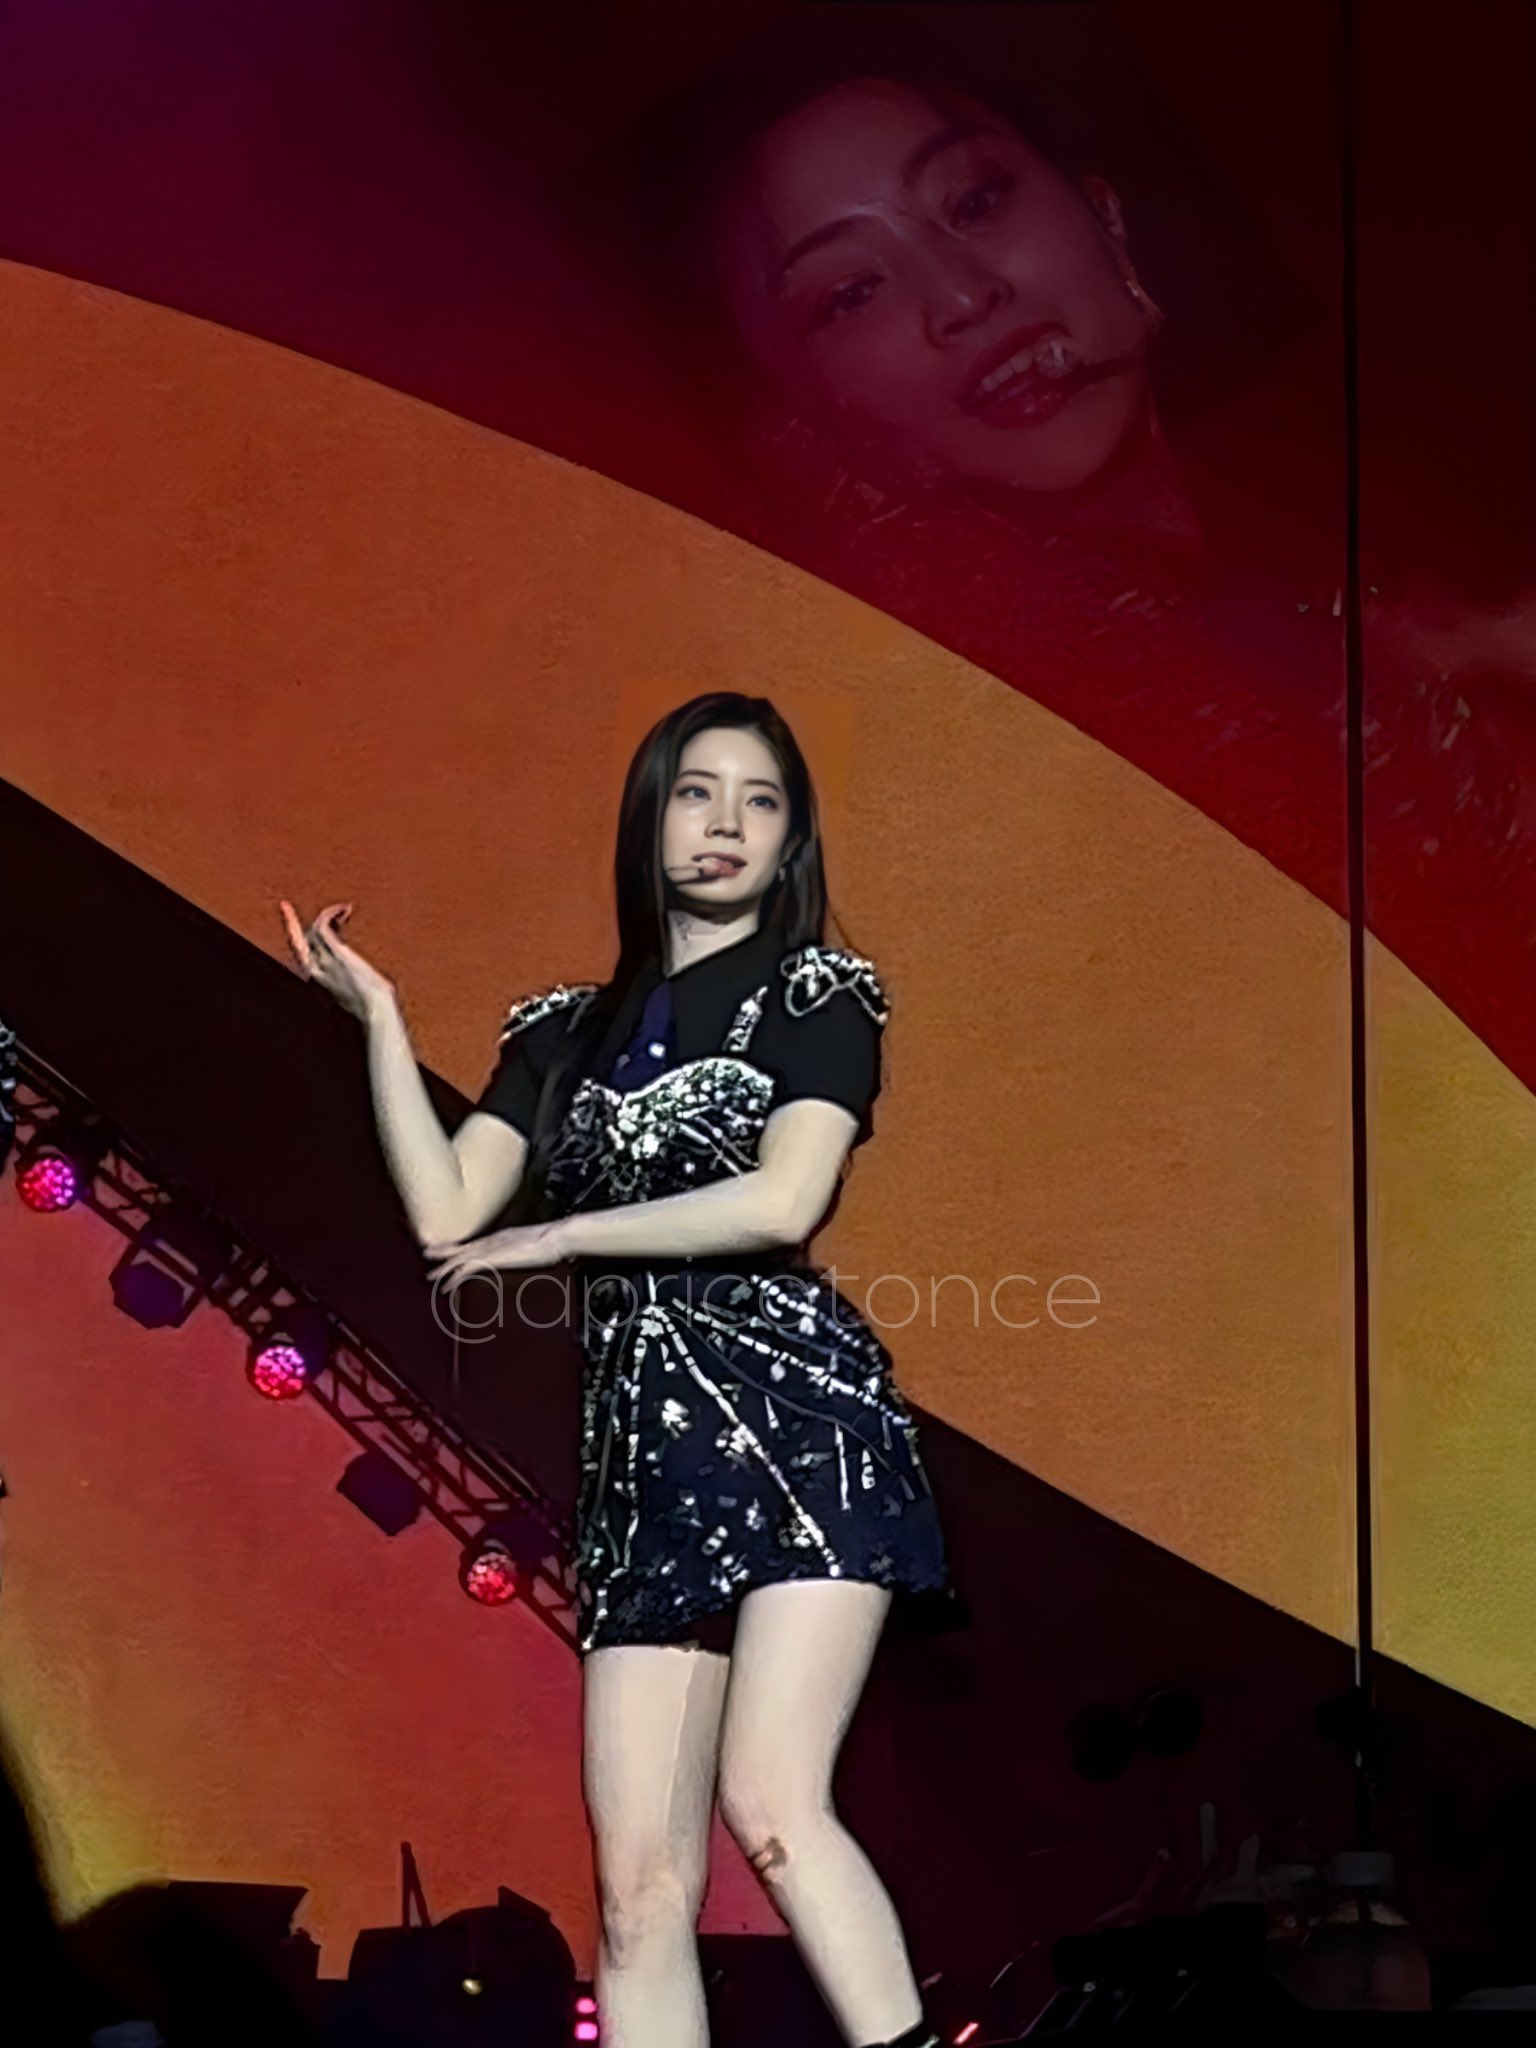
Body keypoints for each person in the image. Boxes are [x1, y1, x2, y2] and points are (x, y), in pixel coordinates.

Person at [280, 691, 953, 2048]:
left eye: (760, 801)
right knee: (639, 1893)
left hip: (798, 1430)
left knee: (772, 1804)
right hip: (643, 1466)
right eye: (698, 793)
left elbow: (783, 1199)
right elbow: (446, 1213)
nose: (726, 824)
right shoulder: (562, 1034)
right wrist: (382, 1020)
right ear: (651, 819)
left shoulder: (815, 996)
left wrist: (564, 1234)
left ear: (792, 839)